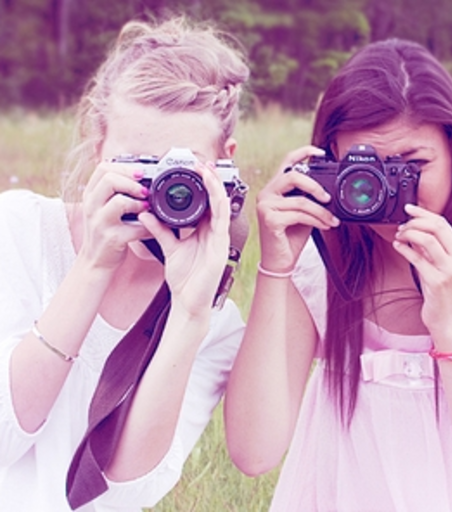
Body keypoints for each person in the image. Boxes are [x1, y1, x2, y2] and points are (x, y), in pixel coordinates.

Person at [224, 38, 452, 511]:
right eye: (363, 169)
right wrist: (275, 268)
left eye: (410, 166)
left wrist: (448, 324)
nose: (378, 190)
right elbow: (255, 453)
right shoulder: (319, 264)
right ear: (330, 164)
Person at [0, 14, 249, 512]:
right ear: (99, 152)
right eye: (138, 164)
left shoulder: (213, 323)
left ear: (225, 162)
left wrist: (189, 312)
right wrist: (93, 264)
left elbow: (125, 490)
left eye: (180, 168)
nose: (161, 190)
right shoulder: (17, 230)